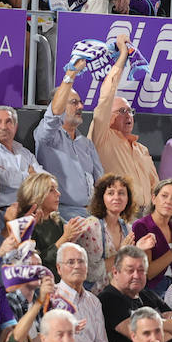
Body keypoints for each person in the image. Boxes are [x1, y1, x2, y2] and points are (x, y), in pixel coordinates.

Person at [89, 36, 159, 214]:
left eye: (130, 111)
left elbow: (155, 186)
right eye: (122, 111)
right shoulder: (102, 137)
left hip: (146, 216)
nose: (128, 115)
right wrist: (122, 57)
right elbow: (107, 95)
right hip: (119, 213)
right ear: (108, 116)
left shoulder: (142, 149)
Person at [36, 59, 106, 221]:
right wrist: (70, 75)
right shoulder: (48, 137)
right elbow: (53, 116)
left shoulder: (86, 143)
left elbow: (100, 180)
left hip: (92, 212)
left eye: (80, 102)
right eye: (74, 102)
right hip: (62, 214)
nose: (81, 106)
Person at [99, 247, 172, 342]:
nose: (136, 275)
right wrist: (171, 326)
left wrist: (148, 326)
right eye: (130, 270)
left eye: (141, 270)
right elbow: (135, 334)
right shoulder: (108, 298)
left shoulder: (148, 295)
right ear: (115, 272)